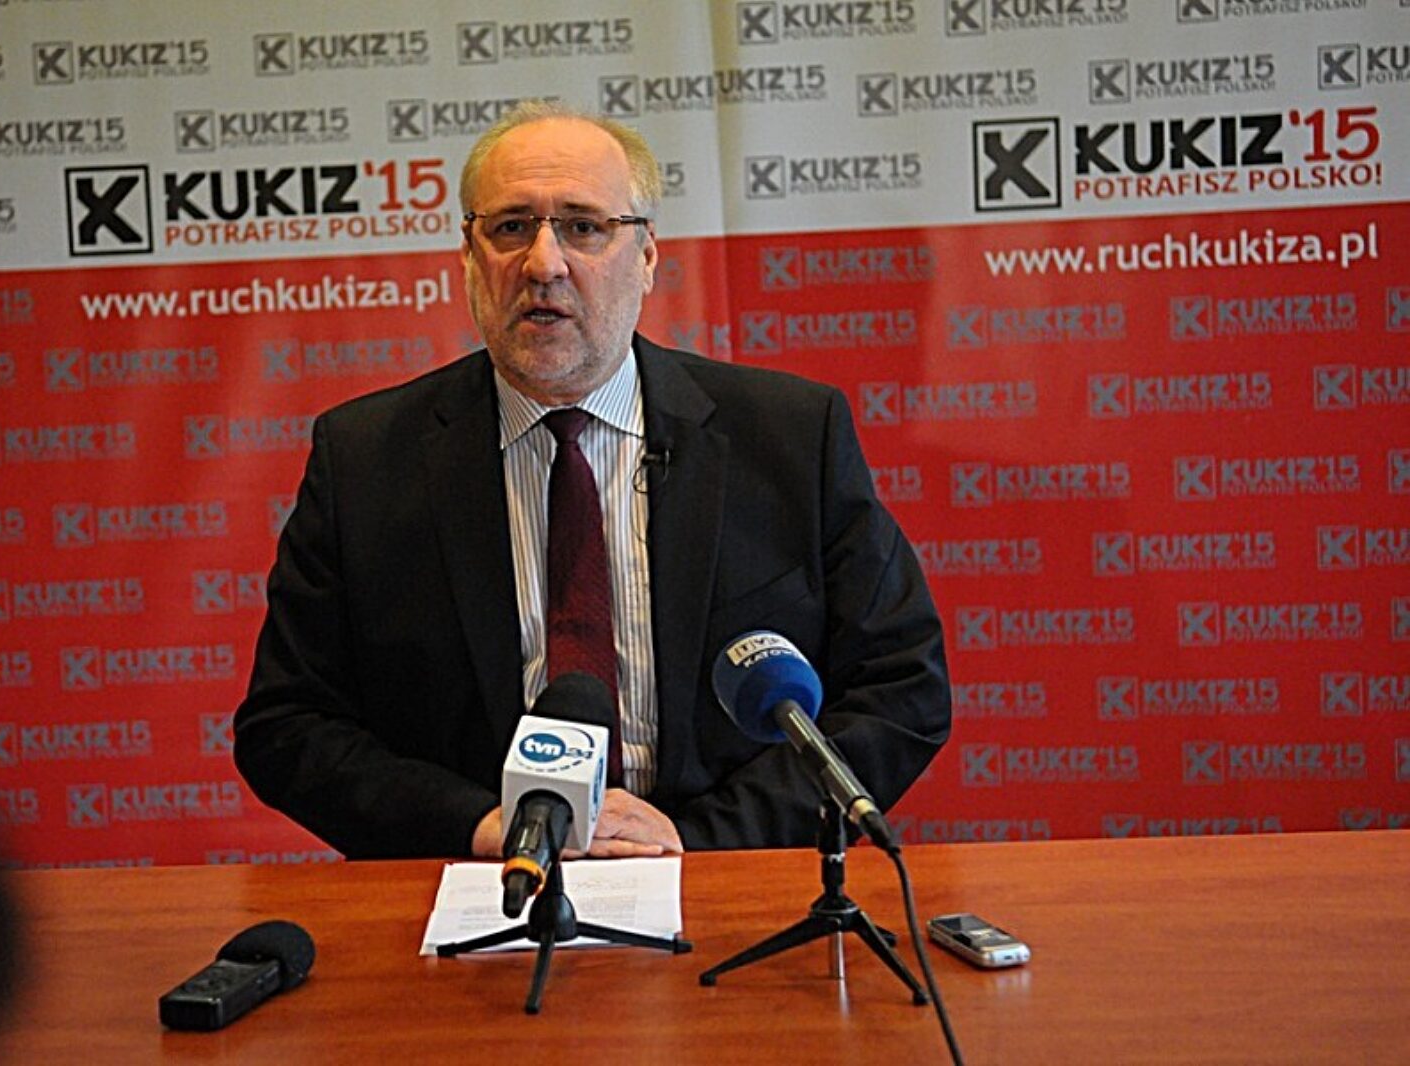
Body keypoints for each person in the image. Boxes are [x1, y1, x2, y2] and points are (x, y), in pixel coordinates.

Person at [233, 100, 949, 860]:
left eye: (583, 227)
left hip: (719, 878)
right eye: (511, 228)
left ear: (646, 256)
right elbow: (288, 725)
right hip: (475, 884)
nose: (543, 263)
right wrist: (474, 825)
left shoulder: (791, 438)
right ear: (469, 257)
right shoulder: (365, 458)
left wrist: (703, 839)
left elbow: (900, 689)